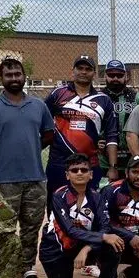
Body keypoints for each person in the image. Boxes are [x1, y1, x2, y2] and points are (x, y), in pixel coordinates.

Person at [0, 57, 54, 278]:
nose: (13, 78)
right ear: (0, 78)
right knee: (5, 229)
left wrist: (31, 148)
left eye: (17, 74)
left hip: (35, 178)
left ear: (24, 76)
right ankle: (8, 273)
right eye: (8, 75)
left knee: (31, 229)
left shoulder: (38, 105)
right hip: (4, 179)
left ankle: (27, 269)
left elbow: (48, 134)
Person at [23, 154, 127, 278]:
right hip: (55, 250)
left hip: (80, 246)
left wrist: (87, 248)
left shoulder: (96, 197)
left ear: (91, 174)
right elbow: (69, 230)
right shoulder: (59, 196)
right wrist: (102, 237)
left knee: (114, 245)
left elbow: (105, 227)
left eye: (84, 170)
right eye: (74, 170)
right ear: (67, 175)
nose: (79, 173)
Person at [44, 54, 118, 203]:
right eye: (80, 68)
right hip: (59, 163)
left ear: (94, 73)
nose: (83, 72)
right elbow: (42, 122)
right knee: (56, 206)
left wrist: (112, 167)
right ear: (73, 71)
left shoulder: (104, 100)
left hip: (89, 164)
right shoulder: (58, 93)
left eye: (88, 69)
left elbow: (111, 136)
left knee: (89, 207)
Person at [101, 59, 139, 176]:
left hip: (131, 157)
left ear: (126, 76)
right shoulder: (98, 98)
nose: (115, 78)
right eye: (111, 75)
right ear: (105, 76)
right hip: (104, 160)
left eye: (119, 75)